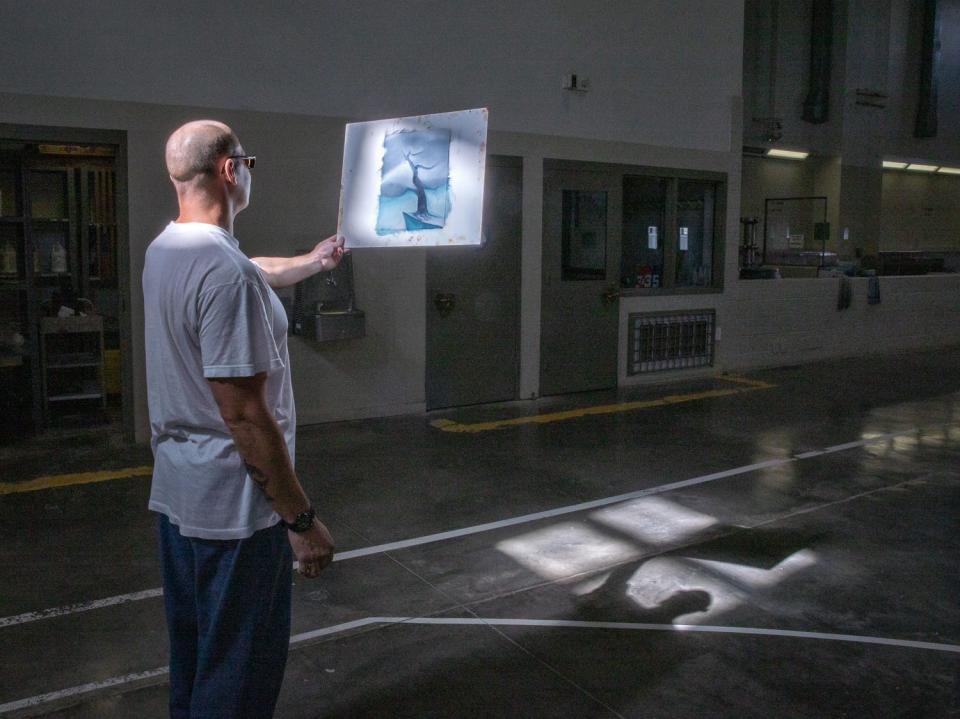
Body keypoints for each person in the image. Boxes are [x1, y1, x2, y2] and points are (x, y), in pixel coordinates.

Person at [143, 119, 343, 718]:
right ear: (230, 169)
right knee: (240, 678)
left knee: (199, 659)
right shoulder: (224, 275)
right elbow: (246, 417)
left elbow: (254, 269)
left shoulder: (169, 249)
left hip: (180, 498)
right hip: (235, 512)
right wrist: (301, 519)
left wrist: (313, 260)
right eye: (247, 163)